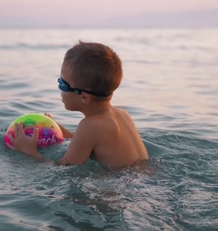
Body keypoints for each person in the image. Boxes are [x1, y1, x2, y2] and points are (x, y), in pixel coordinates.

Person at [9, 41, 149, 170]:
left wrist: (29, 152)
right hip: (144, 178)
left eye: (62, 84)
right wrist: (60, 130)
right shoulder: (122, 114)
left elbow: (63, 169)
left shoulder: (90, 125)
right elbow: (90, 143)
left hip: (116, 191)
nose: (59, 89)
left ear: (84, 97)